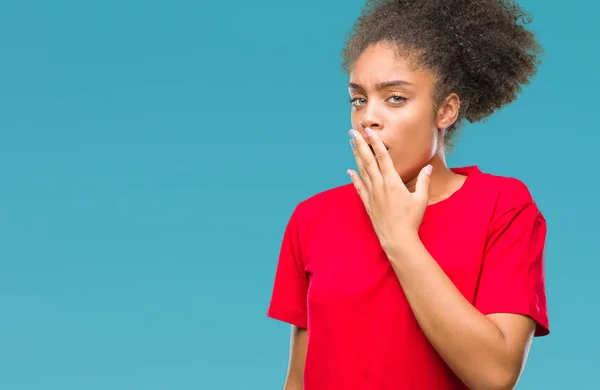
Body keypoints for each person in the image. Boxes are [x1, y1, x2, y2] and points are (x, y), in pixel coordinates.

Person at [266, 0, 549, 388]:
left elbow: (494, 376)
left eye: (395, 98)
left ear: (446, 110)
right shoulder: (313, 218)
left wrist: (399, 237)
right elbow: (299, 379)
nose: (369, 117)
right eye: (359, 99)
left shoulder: (502, 206)